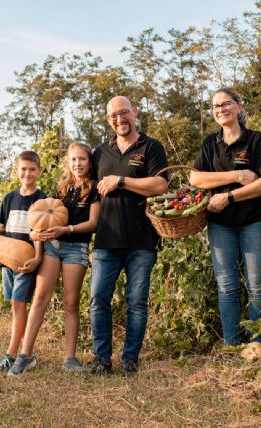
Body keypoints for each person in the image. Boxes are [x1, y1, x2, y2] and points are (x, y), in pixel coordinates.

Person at [189, 88, 261, 361]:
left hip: (254, 222)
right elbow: (195, 179)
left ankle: (257, 344)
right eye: (215, 106)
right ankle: (231, 345)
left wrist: (229, 196)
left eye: (226, 104)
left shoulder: (255, 140)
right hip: (221, 226)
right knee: (227, 285)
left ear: (239, 107)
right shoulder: (210, 143)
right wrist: (237, 175)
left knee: (256, 284)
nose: (220, 110)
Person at [87, 95, 168, 376]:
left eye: (124, 113)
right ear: (108, 120)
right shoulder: (100, 152)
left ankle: (130, 359)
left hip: (142, 241)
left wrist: (120, 181)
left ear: (134, 112)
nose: (119, 119)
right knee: (98, 299)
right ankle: (101, 358)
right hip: (106, 241)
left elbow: (159, 185)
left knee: (137, 302)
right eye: (113, 116)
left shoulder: (151, 147)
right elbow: (86, 187)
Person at [8, 142, 100, 375]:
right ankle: (25, 356)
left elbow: (93, 223)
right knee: (40, 298)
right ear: (68, 162)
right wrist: (36, 238)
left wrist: (66, 229)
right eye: (73, 159)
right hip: (52, 246)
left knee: (71, 303)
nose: (78, 164)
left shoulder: (94, 189)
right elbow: (43, 218)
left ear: (89, 162)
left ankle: (70, 359)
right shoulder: (62, 188)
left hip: (76, 248)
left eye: (82, 159)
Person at [0, 150, 46, 373]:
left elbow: (40, 231)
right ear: (16, 170)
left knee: (18, 304)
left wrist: (37, 257)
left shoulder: (41, 199)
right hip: (7, 259)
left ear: (39, 171)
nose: (27, 173)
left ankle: (11, 354)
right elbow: (4, 228)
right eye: (23, 169)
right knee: (15, 306)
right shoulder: (9, 198)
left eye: (32, 169)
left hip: (26, 260)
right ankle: (27, 353)